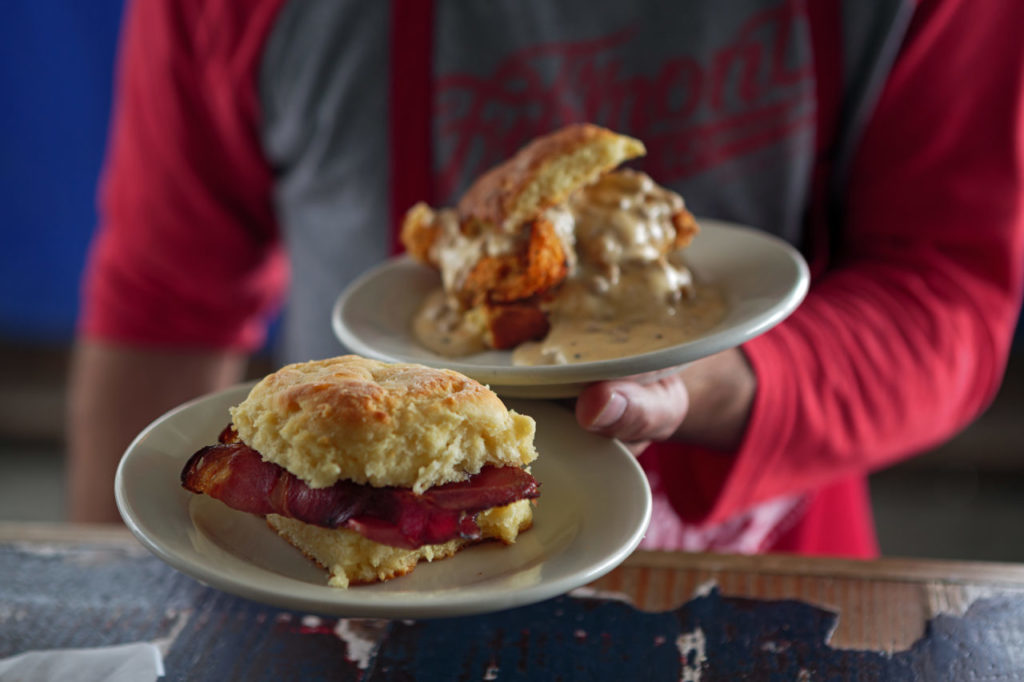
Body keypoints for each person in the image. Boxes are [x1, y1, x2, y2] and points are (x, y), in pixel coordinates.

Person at [69, 0, 1024, 559]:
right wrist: (124, 616)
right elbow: (165, 310)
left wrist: (729, 386)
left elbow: (949, 288)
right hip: (337, 603)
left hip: (769, 588)